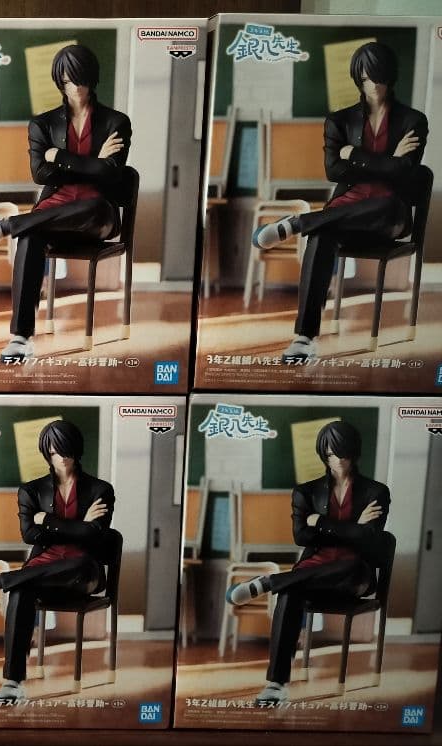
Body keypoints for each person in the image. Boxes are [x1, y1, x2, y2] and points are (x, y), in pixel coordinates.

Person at [250, 41, 428, 362]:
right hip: (343, 211)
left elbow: (406, 172)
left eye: (378, 77)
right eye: (366, 78)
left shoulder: (413, 121)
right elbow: (334, 170)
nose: (373, 85)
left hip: (390, 215)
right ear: (358, 79)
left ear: (390, 76)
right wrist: (387, 161)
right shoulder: (339, 121)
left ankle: (299, 223)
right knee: (321, 236)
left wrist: (354, 154)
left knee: (384, 205)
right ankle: (304, 338)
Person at [0, 44, 131, 361]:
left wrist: (61, 157)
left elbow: (111, 175)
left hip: (98, 216)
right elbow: (41, 173)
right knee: (30, 236)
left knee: (92, 207)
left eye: (80, 80)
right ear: (59, 82)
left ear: (92, 78)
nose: (75, 88)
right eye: (67, 81)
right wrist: (93, 162)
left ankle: (8, 225)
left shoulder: (116, 122)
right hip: (51, 212)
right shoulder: (42, 124)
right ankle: (20, 338)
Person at [225, 420, 389, 704]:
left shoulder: (375, 492)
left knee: (349, 565)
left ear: (354, 452)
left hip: (354, 576)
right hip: (311, 571)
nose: (337, 460)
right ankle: (276, 685)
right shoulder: (306, 492)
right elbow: (302, 536)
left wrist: (321, 522)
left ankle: (270, 582)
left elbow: (370, 539)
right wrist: (353, 528)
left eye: (343, 453)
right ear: (323, 454)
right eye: (330, 454)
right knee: (290, 593)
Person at [0, 419, 115, 703]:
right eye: (54, 452)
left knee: (77, 564)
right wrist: (79, 525)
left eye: (65, 450)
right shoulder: (31, 491)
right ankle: (12, 683)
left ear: (76, 449)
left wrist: (49, 520)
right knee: (21, 590)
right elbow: (30, 534)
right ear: (47, 453)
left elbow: (96, 535)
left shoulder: (100, 490)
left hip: (83, 572)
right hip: (40, 569)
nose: (61, 457)